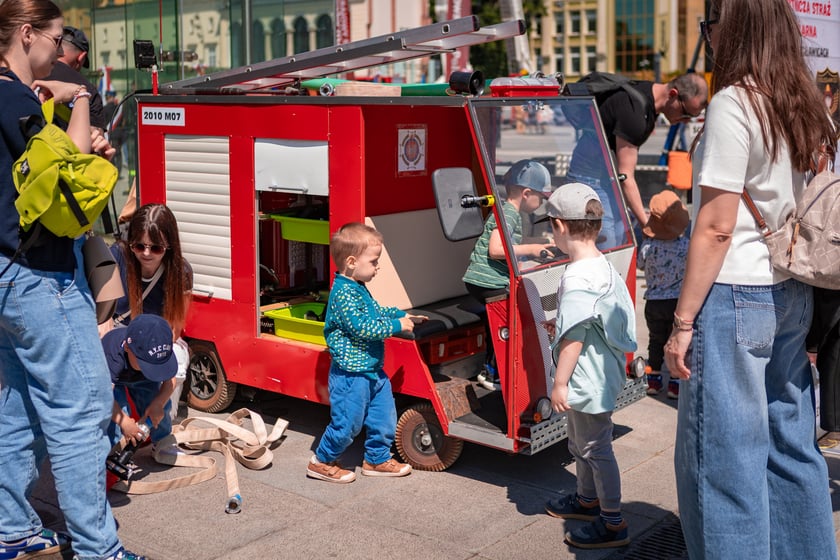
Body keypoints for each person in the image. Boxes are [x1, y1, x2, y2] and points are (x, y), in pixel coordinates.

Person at [663, 0, 838, 557]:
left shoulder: (735, 103)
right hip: (788, 287)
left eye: (712, 26)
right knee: (792, 443)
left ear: (735, 32)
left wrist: (681, 321)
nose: (709, 36)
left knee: (724, 458)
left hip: (733, 292)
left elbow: (716, 228)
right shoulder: (805, 103)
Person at [0, 2, 144, 559]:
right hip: (40, 276)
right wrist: (80, 97)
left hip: (7, 277)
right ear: (27, 34)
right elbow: (75, 162)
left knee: (18, 408)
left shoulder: (14, 100)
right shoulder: (15, 99)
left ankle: (12, 527)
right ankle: (96, 548)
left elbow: (41, 172)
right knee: (81, 410)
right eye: (56, 41)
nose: (60, 54)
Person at [539, 183, 636, 549]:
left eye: (551, 225)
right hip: (598, 372)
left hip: (586, 378)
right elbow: (592, 321)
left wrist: (559, 383)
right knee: (581, 443)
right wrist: (562, 324)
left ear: (561, 226)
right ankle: (586, 499)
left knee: (597, 448)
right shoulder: (600, 264)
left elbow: (575, 339)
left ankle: (612, 522)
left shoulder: (577, 276)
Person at [307, 222, 427, 483]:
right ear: (351, 261)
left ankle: (377, 459)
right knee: (347, 424)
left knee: (384, 417)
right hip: (351, 376)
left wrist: (399, 314)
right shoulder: (343, 294)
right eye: (373, 261)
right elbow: (362, 327)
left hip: (371, 370)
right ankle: (322, 460)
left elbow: (374, 312)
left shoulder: (357, 287)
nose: (377, 266)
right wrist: (396, 326)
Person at [566, 72, 708, 249]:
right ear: (673, 94)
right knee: (608, 243)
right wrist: (647, 225)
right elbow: (626, 177)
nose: (686, 121)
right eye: (686, 113)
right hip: (591, 178)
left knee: (620, 239)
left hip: (603, 175)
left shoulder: (644, 91)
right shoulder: (635, 114)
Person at [463, 159, 556, 390]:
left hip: (485, 280)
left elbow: (515, 243)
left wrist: (543, 242)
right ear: (526, 193)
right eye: (541, 197)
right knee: (508, 323)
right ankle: (491, 372)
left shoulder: (510, 212)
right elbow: (496, 250)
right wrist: (533, 250)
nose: (541, 202)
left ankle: (493, 369)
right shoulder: (509, 213)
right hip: (486, 281)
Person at [110, 203, 193, 419]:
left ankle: (161, 423)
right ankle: (118, 430)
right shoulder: (117, 256)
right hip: (118, 334)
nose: (146, 254)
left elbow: (175, 328)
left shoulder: (180, 271)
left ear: (169, 246)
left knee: (178, 362)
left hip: (156, 337)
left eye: (156, 248)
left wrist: (149, 350)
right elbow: (103, 317)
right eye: (139, 246)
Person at [637, 190, 689, 399]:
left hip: (654, 303)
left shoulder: (648, 246)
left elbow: (640, 265)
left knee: (655, 340)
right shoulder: (686, 245)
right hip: (677, 303)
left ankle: (654, 379)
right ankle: (675, 383)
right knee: (675, 341)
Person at [103, 314, 178, 451]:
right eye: (147, 364)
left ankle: (163, 441)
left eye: (157, 365)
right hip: (114, 380)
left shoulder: (161, 347)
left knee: (159, 405)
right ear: (127, 348)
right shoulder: (112, 357)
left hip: (141, 378)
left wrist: (159, 403)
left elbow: (171, 381)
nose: (154, 369)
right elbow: (103, 397)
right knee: (119, 411)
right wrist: (124, 421)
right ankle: (114, 449)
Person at [45, 25, 105, 131]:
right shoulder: (88, 90)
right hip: (70, 146)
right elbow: (97, 138)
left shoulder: (36, 75)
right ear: (81, 57)